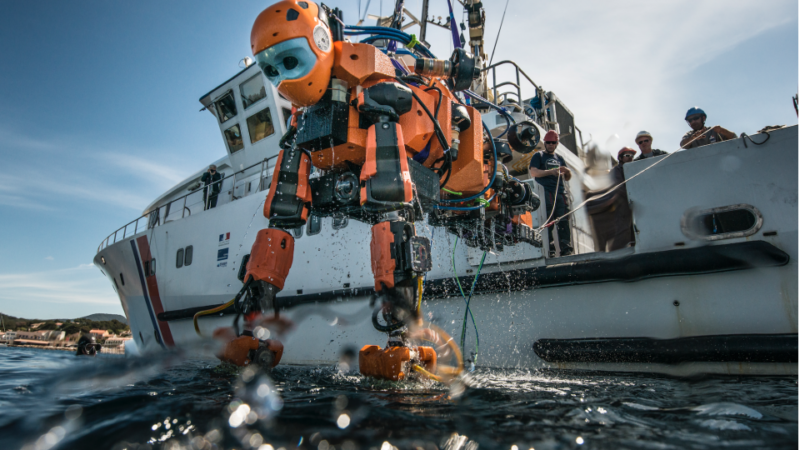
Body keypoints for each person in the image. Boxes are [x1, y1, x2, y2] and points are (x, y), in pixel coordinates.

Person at [529, 130, 573, 256]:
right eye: (548, 142)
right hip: (546, 192)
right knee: (549, 221)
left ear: (556, 143)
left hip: (560, 192)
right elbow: (534, 172)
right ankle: (550, 250)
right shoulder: (539, 156)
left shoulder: (560, 158)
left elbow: (567, 177)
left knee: (563, 220)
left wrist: (567, 172)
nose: (550, 145)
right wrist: (551, 172)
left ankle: (566, 249)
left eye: (553, 143)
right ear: (545, 142)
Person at [586, 147, 636, 252]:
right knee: (623, 230)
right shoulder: (616, 171)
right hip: (622, 205)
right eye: (627, 156)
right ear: (621, 158)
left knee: (632, 228)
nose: (630, 158)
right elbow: (619, 187)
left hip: (631, 204)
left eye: (632, 156)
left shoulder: (633, 170)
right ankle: (616, 251)